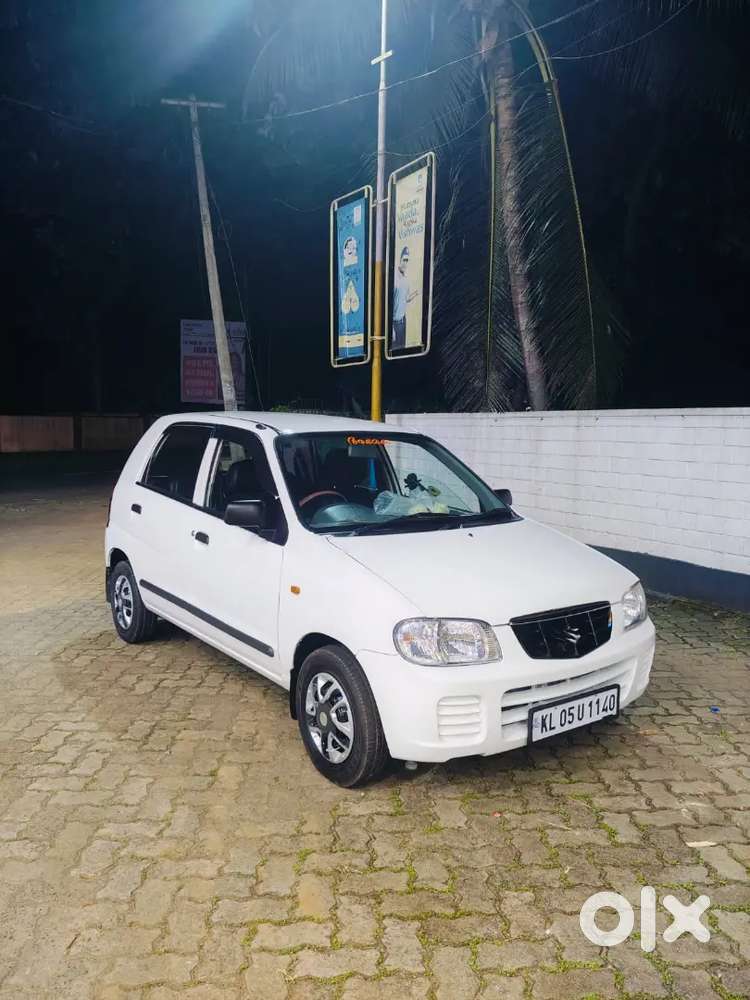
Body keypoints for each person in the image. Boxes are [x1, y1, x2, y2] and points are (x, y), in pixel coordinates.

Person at [391, 246, 419, 350]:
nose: (405, 263)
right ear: (400, 259)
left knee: (402, 349)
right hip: (394, 324)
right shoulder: (393, 278)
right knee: (394, 351)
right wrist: (391, 328)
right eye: (404, 260)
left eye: (407, 261)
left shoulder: (406, 280)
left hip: (403, 322)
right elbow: (388, 305)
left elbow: (406, 299)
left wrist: (416, 293)